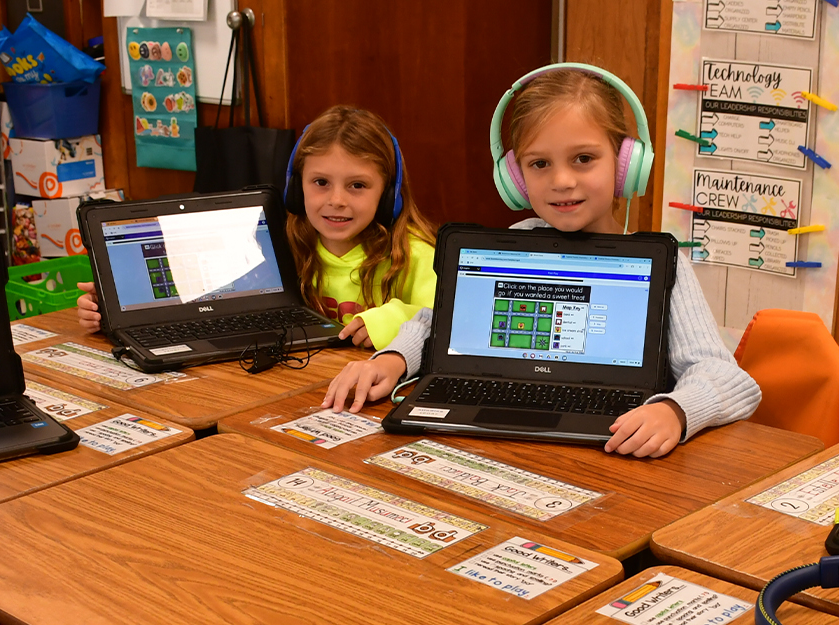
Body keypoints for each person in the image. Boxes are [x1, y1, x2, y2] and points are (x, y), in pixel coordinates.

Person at [320, 65, 761, 458]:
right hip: (498, 455)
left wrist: (675, 411)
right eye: (539, 164)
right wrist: (390, 360)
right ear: (515, 178)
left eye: (584, 159)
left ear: (627, 165)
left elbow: (726, 377)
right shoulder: (514, 243)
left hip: (611, 453)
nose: (562, 181)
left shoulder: (666, 266)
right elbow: (434, 324)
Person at [74, 105, 436, 350]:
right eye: (320, 182)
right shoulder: (278, 244)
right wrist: (114, 301)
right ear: (296, 187)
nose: (336, 200)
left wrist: (395, 316)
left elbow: (449, 328)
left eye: (357, 185)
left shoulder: (416, 257)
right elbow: (204, 297)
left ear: (388, 194)